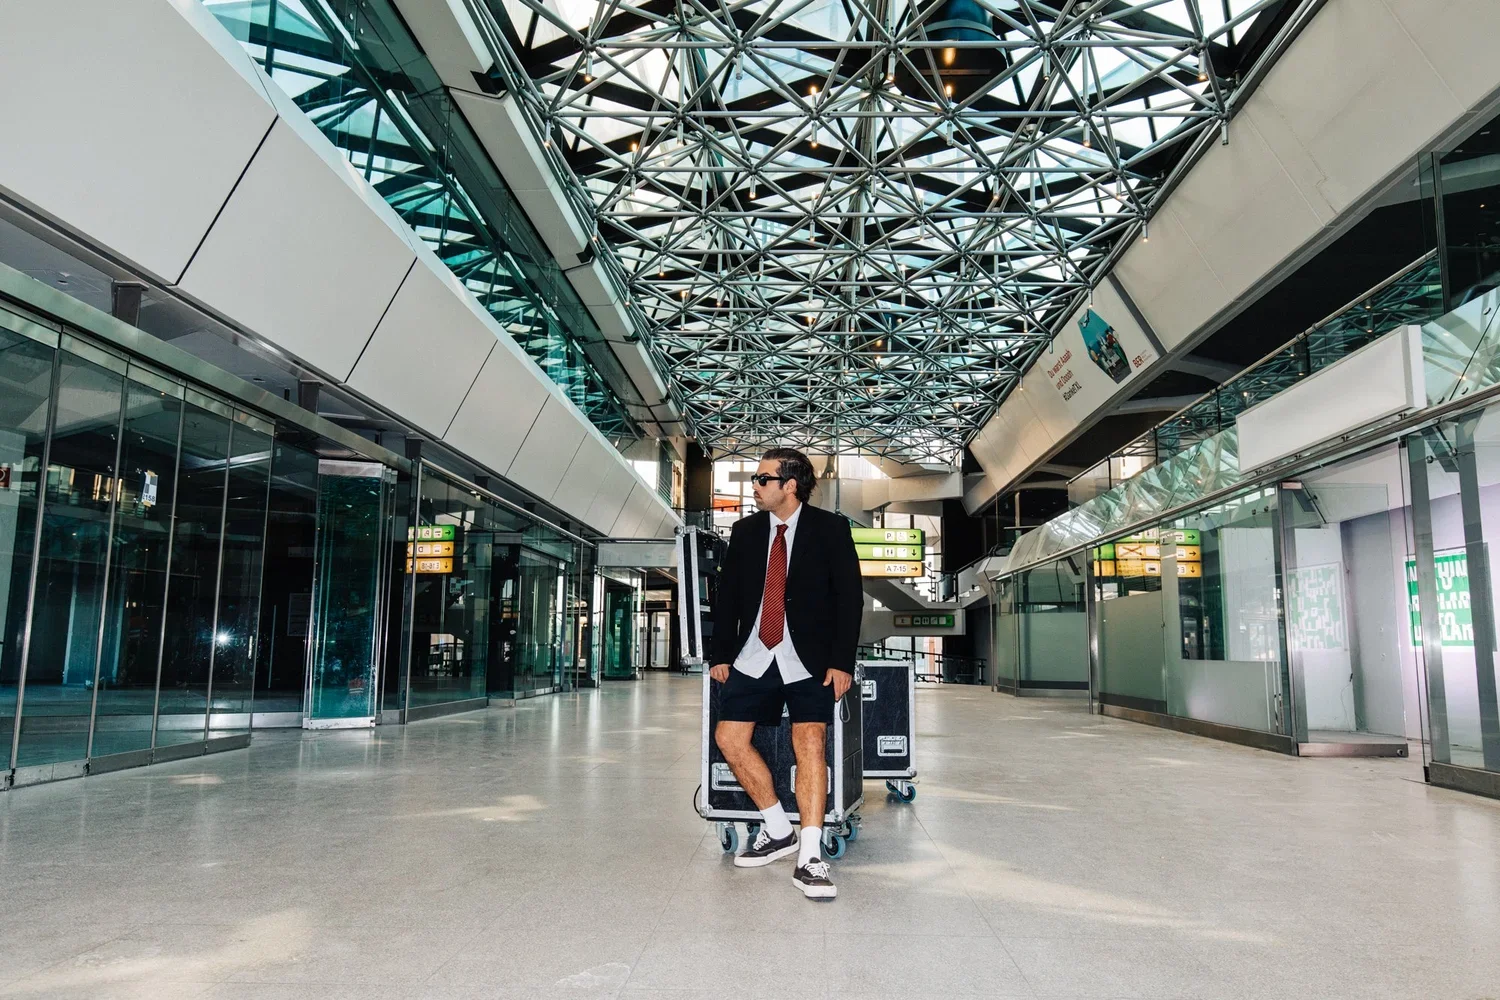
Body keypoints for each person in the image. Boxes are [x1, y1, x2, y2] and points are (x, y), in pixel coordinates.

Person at [710, 447, 863, 899]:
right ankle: (778, 829)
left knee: (810, 741)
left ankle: (810, 856)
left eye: (762, 479)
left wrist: (841, 662)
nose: (754, 487)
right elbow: (730, 597)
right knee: (729, 739)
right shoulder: (745, 531)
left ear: (789, 485)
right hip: (755, 654)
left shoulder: (831, 529)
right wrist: (721, 653)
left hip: (809, 660)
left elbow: (849, 599)